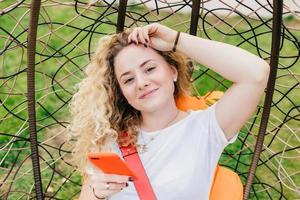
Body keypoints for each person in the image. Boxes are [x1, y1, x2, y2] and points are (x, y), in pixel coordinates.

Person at [68, 23, 270, 199]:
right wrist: (95, 194)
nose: (142, 83)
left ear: (173, 71)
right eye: (128, 79)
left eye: (149, 69)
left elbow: (256, 73)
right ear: (121, 92)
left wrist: (175, 40)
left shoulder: (206, 128)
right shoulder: (108, 138)